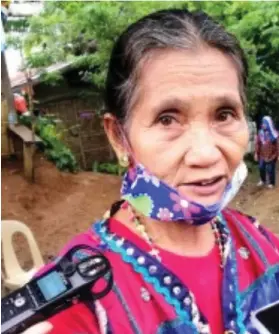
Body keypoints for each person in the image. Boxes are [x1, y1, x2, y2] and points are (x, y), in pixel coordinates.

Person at [23, 9, 279, 334]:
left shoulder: (263, 246)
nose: (206, 153)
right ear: (119, 136)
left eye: (224, 114)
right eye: (167, 119)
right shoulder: (73, 304)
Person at [255, 115, 279, 188]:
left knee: (270, 169)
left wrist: (278, 155)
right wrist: (256, 153)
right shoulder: (260, 133)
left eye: (264, 123)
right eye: (262, 123)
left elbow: (278, 145)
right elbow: (257, 144)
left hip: (271, 154)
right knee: (261, 167)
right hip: (262, 154)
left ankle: (271, 183)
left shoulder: (274, 134)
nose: (263, 125)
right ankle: (263, 180)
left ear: (269, 124)